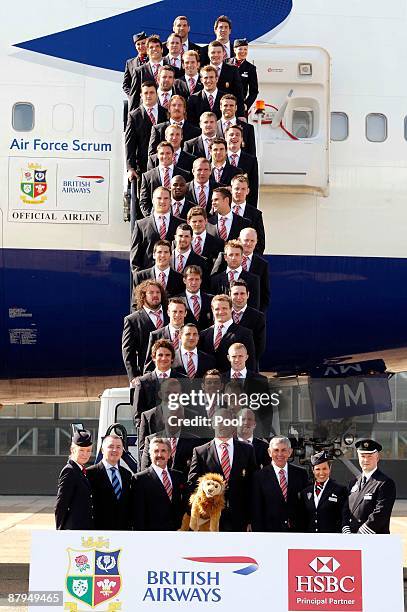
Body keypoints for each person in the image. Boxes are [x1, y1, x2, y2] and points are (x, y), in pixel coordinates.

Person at [188, 407, 257, 531]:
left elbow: (253, 486)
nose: (223, 424)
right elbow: (193, 484)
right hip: (209, 519)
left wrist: (251, 519)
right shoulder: (200, 452)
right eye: (219, 420)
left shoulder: (247, 450)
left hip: (240, 519)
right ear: (212, 424)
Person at [252, 436, 309, 532]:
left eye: (283, 450)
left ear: (290, 452)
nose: (280, 454)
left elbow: (305, 505)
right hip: (269, 532)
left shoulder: (301, 474)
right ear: (270, 452)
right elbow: (256, 508)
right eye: (276, 450)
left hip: (297, 532)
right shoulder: (259, 476)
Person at [342, 439, 396, 534]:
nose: (366, 460)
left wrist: (361, 535)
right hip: (352, 538)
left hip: (372, 539)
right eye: (362, 456)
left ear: (377, 458)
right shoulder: (354, 482)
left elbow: (381, 514)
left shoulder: (385, 483)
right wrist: (346, 529)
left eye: (370, 456)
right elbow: (346, 509)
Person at [133, 437, 187, 530]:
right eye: (156, 451)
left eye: (163, 451)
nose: (159, 454)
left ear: (169, 454)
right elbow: (138, 513)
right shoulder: (140, 479)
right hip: (152, 535)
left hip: (177, 533)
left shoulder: (179, 476)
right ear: (150, 454)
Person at [122, 280, 168, 382]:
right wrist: (134, 376)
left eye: (158, 292)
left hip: (172, 374)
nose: (155, 295)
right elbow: (128, 351)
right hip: (147, 374)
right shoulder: (132, 320)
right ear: (143, 296)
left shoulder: (171, 314)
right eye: (151, 293)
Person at [133, 338, 187, 424]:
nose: (164, 358)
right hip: (152, 434)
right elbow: (138, 415)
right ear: (154, 357)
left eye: (167, 355)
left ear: (172, 358)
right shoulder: (142, 382)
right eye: (160, 355)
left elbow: (188, 408)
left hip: (177, 433)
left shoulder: (184, 380)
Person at [86, 434, 133, 530]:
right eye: (111, 446)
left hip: (123, 532)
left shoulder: (127, 474)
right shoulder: (90, 474)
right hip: (99, 534)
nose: (115, 450)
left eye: (118, 447)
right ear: (102, 450)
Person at [199, 294, 256, 372]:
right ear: (212, 310)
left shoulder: (245, 333)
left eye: (224, 308)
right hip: (209, 382)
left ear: (231, 309)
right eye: (217, 309)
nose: (221, 312)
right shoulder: (203, 334)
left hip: (233, 382)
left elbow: (250, 364)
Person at [125, 81, 167, 185]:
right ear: (141, 95)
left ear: (157, 94)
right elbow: (130, 143)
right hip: (143, 166)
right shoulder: (134, 116)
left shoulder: (165, 113)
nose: (148, 96)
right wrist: (130, 168)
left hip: (165, 164)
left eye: (152, 92)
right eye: (146, 93)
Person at [130, 186, 182, 271]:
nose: (162, 201)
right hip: (149, 279)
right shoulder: (141, 225)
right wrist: (140, 278)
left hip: (173, 278)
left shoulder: (180, 224)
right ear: (153, 201)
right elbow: (135, 258)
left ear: (171, 201)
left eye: (166, 198)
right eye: (159, 198)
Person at [300, 450, 348, 533]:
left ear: (330, 469)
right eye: (318, 469)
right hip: (310, 540)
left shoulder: (340, 490)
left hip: (331, 540)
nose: (321, 472)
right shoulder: (306, 492)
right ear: (313, 470)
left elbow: (343, 517)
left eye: (324, 468)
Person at [55, 429, 94, 530]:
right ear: (72, 450)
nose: (85, 454)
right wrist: (59, 530)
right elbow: (61, 505)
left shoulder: (79, 470)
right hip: (73, 530)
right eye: (81, 450)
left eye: (88, 450)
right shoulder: (69, 471)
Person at [139, 141, 190, 216]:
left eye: (168, 153)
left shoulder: (184, 175)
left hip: (178, 220)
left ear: (173, 155)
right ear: (157, 155)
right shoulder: (147, 176)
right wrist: (152, 218)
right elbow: (144, 201)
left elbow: (188, 197)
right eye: (162, 153)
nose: (165, 156)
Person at [210, 239, 260, 310]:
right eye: (231, 255)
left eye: (237, 255)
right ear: (225, 257)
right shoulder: (215, 280)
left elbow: (254, 307)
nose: (234, 258)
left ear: (242, 257)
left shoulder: (253, 279)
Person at [144, 297, 188, 368]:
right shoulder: (156, 335)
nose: (177, 315)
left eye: (181, 311)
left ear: (185, 313)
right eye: (174, 311)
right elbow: (149, 365)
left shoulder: (193, 334)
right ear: (168, 313)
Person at [230, 279, 266, 364]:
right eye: (235, 294)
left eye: (242, 293)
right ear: (229, 295)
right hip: (226, 368)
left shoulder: (258, 317)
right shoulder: (222, 314)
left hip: (249, 367)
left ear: (248, 295)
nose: (239, 297)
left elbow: (260, 346)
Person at [128, 35, 167, 110]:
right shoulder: (139, 71)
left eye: (157, 46)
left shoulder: (172, 69)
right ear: (147, 51)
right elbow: (134, 97)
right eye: (151, 47)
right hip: (146, 113)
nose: (154, 49)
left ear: (162, 49)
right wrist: (131, 118)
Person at [206, 41, 244, 117]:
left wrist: (240, 115)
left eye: (219, 52)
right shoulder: (202, 70)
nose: (216, 55)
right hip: (206, 115)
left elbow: (239, 94)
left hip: (226, 115)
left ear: (224, 54)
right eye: (213, 52)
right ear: (208, 54)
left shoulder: (232, 70)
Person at [230, 174, 265, 254]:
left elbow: (260, 244)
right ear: (231, 189)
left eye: (243, 189)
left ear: (248, 191)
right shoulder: (223, 209)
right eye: (237, 188)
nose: (240, 192)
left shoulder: (256, 214)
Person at [225, 124, 258, 206]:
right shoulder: (219, 158)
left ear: (242, 139)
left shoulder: (251, 160)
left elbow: (253, 188)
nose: (234, 137)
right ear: (225, 138)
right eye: (231, 134)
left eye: (237, 135)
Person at [228, 39, 259, 116]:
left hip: (240, 105)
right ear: (234, 50)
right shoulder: (226, 63)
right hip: (226, 104)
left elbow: (254, 91)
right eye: (240, 49)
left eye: (245, 49)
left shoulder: (251, 68)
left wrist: (246, 105)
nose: (243, 51)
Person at [179, 263, 214, 330]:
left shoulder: (211, 299)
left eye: (197, 279)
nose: (194, 282)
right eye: (191, 279)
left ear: (201, 281)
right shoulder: (177, 300)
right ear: (184, 280)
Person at [123, 32, 148, 96]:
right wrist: (134, 96)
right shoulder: (130, 63)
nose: (141, 46)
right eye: (138, 44)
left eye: (143, 43)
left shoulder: (153, 60)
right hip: (137, 102)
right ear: (135, 46)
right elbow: (126, 85)